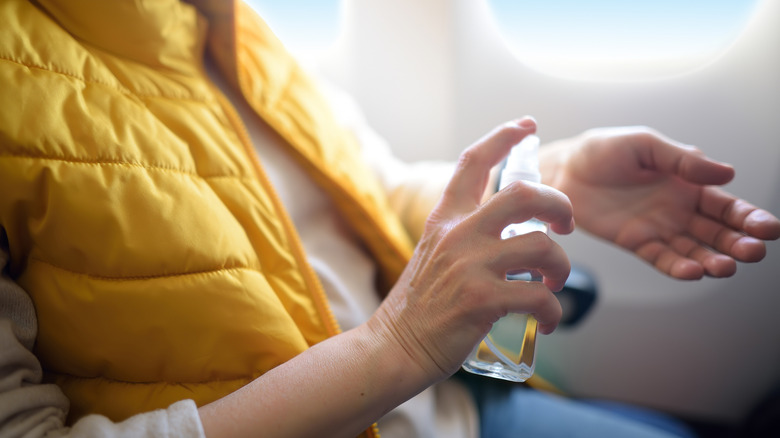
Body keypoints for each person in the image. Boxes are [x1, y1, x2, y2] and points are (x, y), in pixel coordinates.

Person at [1, 1, 778, 437]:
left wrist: (543, 179)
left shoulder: (225, 24)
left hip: (447, 407)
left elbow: (369, 190)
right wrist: (394, 347)